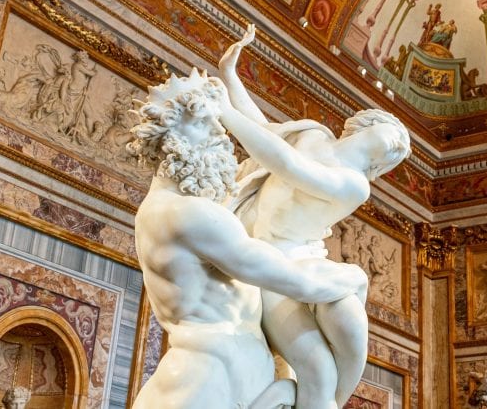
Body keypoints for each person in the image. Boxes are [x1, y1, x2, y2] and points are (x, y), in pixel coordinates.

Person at [127, 69, 367, 408]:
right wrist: (354, 276)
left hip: (229, 376)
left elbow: (273, 150)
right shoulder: (186, 214)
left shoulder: (176, 209)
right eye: (205, 124)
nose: (220, 136)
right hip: (203, 382)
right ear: (172, 139)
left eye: (217, 125)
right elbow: (295, 281)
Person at [218, 25, 411, 409]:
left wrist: (220, 108)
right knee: (317, 369)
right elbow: (262, 130)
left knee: (342, 335)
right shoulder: (314, 134)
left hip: (303, 261)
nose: (398, 146)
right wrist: (229, 75)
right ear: (368, 122)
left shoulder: (356, 185)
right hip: (267, 264)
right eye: (396, 135)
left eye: (397, 153)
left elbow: (287, 165)